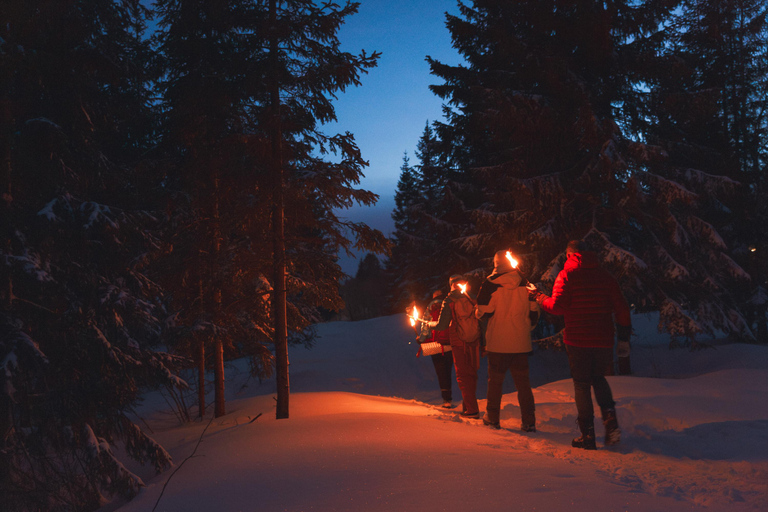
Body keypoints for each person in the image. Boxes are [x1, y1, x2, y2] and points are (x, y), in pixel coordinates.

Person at [529, 240, 632, 449]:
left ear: (570, 256)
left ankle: (588, 435)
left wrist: (538, 296)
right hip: (603, 340)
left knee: (582, 384)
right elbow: (622, 308)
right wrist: (623, 337)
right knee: (599, 378)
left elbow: (557, 307)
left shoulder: (567, 276)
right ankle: (610, 419)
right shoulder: (606, 277)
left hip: (577, 340)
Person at [475, 250, 540, 431]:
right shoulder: (526, 284)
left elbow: (484, 311)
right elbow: (534, 313)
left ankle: (493, 418)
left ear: (496, 263)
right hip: (520, 343)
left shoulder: (490, 284)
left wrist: (478, 311)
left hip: (498, 343)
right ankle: (529, 422)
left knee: (495, 382)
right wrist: (527, 326)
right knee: (523, 384)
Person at [427, 275, 481, 418]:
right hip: (474, 340)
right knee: (472, 374)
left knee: (462, 376)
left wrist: (430, 324)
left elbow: (442, 325)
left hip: (458, 342)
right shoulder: (473, 297)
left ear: (451, 284)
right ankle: (468, 405)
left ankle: (471, 409)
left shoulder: (449, 300)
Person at [418, 289, 454, 408]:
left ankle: (446, 399)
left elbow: (425, 326)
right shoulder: (449, 304)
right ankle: (452, 396)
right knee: (448, 371)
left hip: (434, 345)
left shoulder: (430, 308)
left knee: (440, 371)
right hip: (449, 343)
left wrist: (421, 339)